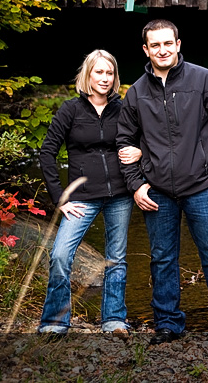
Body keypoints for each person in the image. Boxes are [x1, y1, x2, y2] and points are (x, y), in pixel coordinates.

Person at [116, 19, 208, 349]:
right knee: (162, 259)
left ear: (178, 44)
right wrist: (136, 185)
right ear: (145, 50)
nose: (162, 50)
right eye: (154, 45)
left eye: (167, 43)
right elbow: (125, 140)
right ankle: (168, 323)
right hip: (157, 190)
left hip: (203, 186)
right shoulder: (136, 93)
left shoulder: (205, 80)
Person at [38, 49, 141, 335]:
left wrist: (140, 151)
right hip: (81, 199)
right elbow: (47, 153)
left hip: (120, 195)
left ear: (115, 77)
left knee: (116, 258)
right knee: (60, 255)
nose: (105, 78)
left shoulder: (124, 110)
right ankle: (55, 322)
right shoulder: (70, 109)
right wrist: (60, 198)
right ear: (88, 74)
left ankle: (114, 319)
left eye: (110, 73)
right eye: (99, 72)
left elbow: (147, 140)